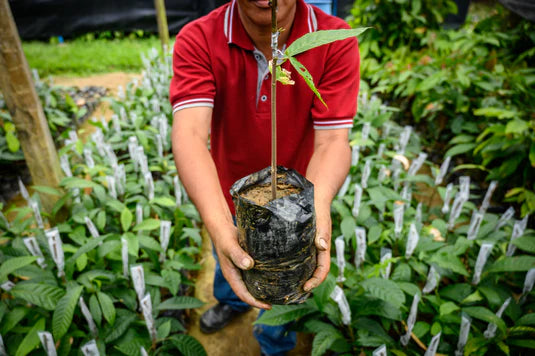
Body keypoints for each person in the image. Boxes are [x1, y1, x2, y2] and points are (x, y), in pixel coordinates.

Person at [170, 0, 359, 354]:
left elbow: (334, 139)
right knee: (228, 248)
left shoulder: (333, 39)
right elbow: (190, 135)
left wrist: (314, 212)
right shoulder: (198, 37)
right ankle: (232, 301)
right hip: (229, 194)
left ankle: (275, 343)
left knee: (285, 284)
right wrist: (216, 219)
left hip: (298, 203)